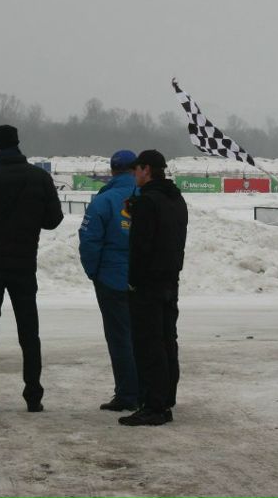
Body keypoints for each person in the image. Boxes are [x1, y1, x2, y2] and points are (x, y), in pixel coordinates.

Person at [0, 124, 64, 413]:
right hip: (23, 265)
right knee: (29, 333)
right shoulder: (39, 178)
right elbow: (53, 220)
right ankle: (34, 396)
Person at [119, 149, 188, 427]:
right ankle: (165, 399)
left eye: (137, 170)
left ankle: (153, 405)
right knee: (167, 340)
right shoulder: (176, 199)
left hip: (148, 282)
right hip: (170, 278)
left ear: (146, 170)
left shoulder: (148, 202)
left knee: (148, 344)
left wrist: (133, 281)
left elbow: (141, 247)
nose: (134, 174)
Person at [78, 149, 139, 412]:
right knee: (145, 336)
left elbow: (89, 241)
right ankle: (149, 390)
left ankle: (127, 393)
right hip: (145, 278)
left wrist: (95, 273)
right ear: (136, 169)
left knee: (120, 338)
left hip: (112, 279)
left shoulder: (104, 200)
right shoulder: (148, 196)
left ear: (112, 171)